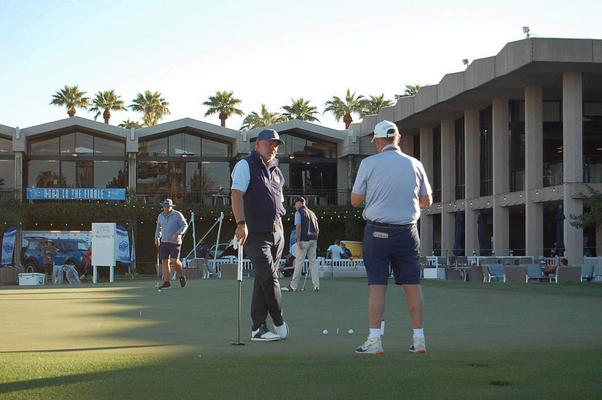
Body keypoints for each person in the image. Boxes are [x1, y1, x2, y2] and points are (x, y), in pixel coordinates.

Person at [351, 120, 432, 355]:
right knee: (412, 285)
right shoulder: (415, 164)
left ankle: (375, 340)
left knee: (377, 286)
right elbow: (427, 201)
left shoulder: (369, 163)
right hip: (407, 231)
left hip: (377, 232)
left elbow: (355, 200)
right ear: (398, 138)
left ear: (378, 141)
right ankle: (419, 340)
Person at [231, 129, 289, 342]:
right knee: (269, 278)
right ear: (258, 144)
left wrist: (280, 228)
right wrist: (241, 223)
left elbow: (279, 201)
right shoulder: (245, 165)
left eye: (276, 144)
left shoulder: (276, 170)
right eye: (269, 143)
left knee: (262, 279)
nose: (273, 147)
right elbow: (236, 196)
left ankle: (258, 328)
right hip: (254, 232)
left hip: (276, 231)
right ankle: (278, 319)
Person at [287, 197, 320, 292]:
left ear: (301, 203)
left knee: (299, 263)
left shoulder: (299, 213)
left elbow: (298, 226)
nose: (295, 206)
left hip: (304, 240)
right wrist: (315, 239)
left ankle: (293, 286)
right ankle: (316, 286)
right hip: (313, 239)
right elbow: (317, 229)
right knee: (313, 263)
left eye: (295, 203)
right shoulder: (312, 213)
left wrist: (298, 240)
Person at [155, 198, 188, 289]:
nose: (166, 208)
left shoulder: (177, 214)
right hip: (164, 241)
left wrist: (178, 233)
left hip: (175, 242)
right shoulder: (160, 216)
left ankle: (181, 275)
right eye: (165, 206)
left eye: (168, 206)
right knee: (165, 261)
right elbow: (158, 228)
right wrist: (157, 238)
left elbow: (184, 225)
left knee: (174, 261)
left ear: (171, 207)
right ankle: (166, 282)